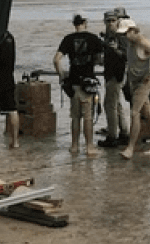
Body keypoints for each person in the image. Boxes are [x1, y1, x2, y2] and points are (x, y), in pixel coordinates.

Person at [52, 13, 104, 157]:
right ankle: (89, 147)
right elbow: (100, 60)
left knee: (75, 116)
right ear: (85, 22)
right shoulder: (94, 39)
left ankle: (74, 146)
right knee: (87, 116)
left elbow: (56, 60)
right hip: (87, 82)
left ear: (74, 24)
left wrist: (62, 75)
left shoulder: (68, 39)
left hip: (73, 83)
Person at [118, 20, 150, 159]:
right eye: (123, 34)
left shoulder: (143, 42)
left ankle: (130, 148)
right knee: (148, 112)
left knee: (134, 113)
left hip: (143, 83)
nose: (125, 36)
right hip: (134, 83)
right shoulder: (129, 43)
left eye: (127, 33)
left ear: (134, 30)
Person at [99, 8, 129, 148]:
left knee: (109, 105)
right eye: (108, 21)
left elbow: (126, 56)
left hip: (117, 74)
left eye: (113, 21)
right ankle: (124, 133)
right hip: (110, 73)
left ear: (118, 21)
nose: (110, 23)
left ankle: (112, 136)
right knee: (116, 105)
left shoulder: (121, 36)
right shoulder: (108, 36)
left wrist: (114, 49)